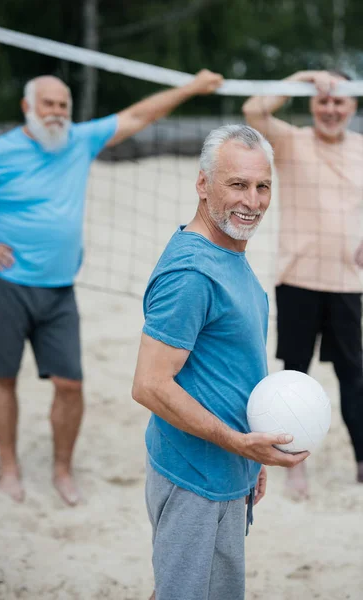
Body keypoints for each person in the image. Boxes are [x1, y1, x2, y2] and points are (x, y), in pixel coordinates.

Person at [0, 69, 224, 505]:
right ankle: (9, 467)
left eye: (63, 104)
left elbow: (140, 115)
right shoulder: (0, 153)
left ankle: (62, 469)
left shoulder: (79, 141)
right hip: (6, 283)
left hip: (60, 289)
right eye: (48, 103)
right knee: (3, 378)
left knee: (70, 384)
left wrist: (193, 88)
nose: (57, 112)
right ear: (28, 107)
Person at [132, 124, 309, 600]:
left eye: (262, 185)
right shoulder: (192, 272)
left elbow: (229, 365)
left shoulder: (227, 251)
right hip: (195, 476)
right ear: (203, 183)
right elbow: (149, 385)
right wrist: (237, 443)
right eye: (237, 184)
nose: (252, 200)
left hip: (227, 469)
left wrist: (252, 454)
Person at [243, 70, 363, 498]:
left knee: (355, 378)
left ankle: (361, 464)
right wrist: (303, 79)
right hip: (297, 281)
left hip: (348, 284)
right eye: (322, 102)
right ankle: (294, 468)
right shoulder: (292, 141)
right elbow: (252, 109)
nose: (330, 109)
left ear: (352, 106)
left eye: (339, 102)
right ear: (312, 106)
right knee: (292, 379)